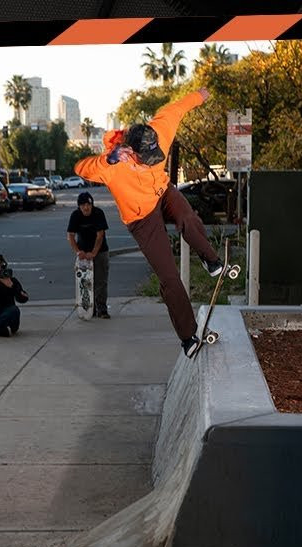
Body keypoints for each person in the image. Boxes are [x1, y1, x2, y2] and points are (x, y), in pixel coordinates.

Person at [74, 88, 224, 356]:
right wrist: (107, 158)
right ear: (131, 152)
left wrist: (202, 95)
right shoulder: (113, 165)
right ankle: (188, 336)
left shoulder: (159, 129)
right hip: (141, 219)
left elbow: (178, 107)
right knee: (169, 277)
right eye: (147, 161)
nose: (154, 162)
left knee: (187, 217)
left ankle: (210, 259)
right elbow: (80, 168)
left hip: (162, 193)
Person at [68, 191, 110, 318]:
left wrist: (94, 253)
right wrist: (78, 252)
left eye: (88, 204)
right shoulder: (75, 215)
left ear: (92, 205)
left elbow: (100, 235)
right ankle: (89, 308)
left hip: (100, 251)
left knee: (100, 281)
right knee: (85, 282)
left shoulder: (98, 213)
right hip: (83, 253)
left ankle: (102, 309)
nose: (86, 207)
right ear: (79, 206)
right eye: (83, 205)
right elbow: (70, 235)